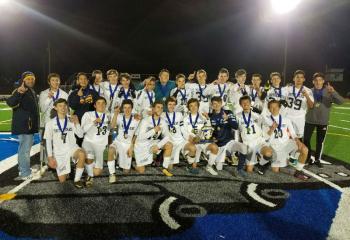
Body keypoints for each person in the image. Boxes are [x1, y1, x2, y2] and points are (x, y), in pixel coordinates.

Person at [303, 72, 345, 168]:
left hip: (323, 121)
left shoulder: (329, 91)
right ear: (313, 81)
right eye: (316, 80)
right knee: (306, 139)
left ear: (323, 81)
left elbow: (341, 102)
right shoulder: (309, 91)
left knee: (320, 141)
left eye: (320, 80)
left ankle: (317, 159)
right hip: (310, 120)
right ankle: (308, 157)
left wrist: (333, 92)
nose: (318, 82)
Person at [44, 98, 86, 188]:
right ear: (55, 107)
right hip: (59, 152)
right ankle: (68, 169)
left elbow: (81, 135)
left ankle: (77, 180)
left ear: (67, 107)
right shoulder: (50, 123)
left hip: (72, 148)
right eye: (60, 106)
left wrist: (77, 123)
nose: (63, 108)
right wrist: (50, 158)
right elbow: (48, 141)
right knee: (62, 180)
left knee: (82, 154)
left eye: (64, 106)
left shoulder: (71, 120)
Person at [263, 100, 309, 180]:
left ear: (279, 108)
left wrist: (298, 142)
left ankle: (298, 171)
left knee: (304, 149)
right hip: (275, 146)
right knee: (275, 171)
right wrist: (272, 129)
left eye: (276, 107)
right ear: (269, 109)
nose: (274, 109)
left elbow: (293, 133)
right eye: (271, 107)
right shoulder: (266, 120)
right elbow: (265, 137)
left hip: (287, 143)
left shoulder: (286, 120)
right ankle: (276, 159)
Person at [6, 71, 40, 180]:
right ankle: (25, 173)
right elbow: (10, 103)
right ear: (23, 80)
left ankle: (23, 169)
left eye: (32, 79)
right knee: (25, 150)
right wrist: (19, 93)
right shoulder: (20, 90)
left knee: (23, 149)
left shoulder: (31, 90)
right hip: (24, 125)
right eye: (28, 79)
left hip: (28, 125)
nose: (30, 81)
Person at [209, 96, 248, 177]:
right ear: (211, 105)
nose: (216, 106)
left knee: (243, 148)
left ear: (221, 103)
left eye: (218, 104)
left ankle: (239, 169)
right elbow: (210, 132)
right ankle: (225, 157)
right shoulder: (210, 116)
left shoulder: (228, 112)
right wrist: (212, 138)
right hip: (219, 145)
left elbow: (236, 126)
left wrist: (228, 119)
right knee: (219, 168)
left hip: (229, 142)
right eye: (214, 104)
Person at [134, 101, 173, 174]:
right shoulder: (145, 120)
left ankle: (164, 168)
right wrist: (153, 130)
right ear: (153, 109)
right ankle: (135, 164)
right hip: (142, 145)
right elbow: (140, 138)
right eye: (158, 107)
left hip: (153, 143)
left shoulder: (163, 121)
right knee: (141, 170)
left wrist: (158, 146)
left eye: (161, 108)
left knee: (169, 145)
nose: (160, 109)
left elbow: (167, 136)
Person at [237, 96, 273, 174]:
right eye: (243, 103)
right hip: (248, 143)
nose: (245, 104)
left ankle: (263, 163)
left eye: (247, 102)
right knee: (249, 170)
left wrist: (262, 116)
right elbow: (237, 132)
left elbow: (269, 123)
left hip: (259, 141)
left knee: (268, 153)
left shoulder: (257, 115)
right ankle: (255, 161)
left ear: (250, 104)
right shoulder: (237, 116)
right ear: (240, 105)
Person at [183, 98, 219, 175]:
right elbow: (184, 132)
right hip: (192, 141)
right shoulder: (185, 118)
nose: (193, 108)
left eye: (195, 105)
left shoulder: (203, 117)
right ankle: (190, 165)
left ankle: (209, 166)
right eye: (191, 106)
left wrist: (208, 119)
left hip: (202, 140)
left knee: (215, 147)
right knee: (195, 153)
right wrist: (190, 138)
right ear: (188, 108)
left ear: (198, 106)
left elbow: (208, 128)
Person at [162, 97, 197, 175]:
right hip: (170, 142)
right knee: (170, 168)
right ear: (166, 105)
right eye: (170, 104)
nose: (172, 106)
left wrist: (188, 137)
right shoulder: (162, 115)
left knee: (193, 148)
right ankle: (164, 161)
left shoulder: (179, 114)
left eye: (174, 104)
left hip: (180, 140)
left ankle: (189, 164)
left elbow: (182, 128)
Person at [81, 97, 111, 187]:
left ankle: (84, 164)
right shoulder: (88, 114)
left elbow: (109, 130)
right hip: (89, 142)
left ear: (106, 105)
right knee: (89, 157)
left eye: (103, 103)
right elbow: (82, 130)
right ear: (94, 105)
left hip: (100, 145)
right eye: (98, 103)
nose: (101, 105)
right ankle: (89, 176)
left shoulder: (108, 116)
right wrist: (93, 122)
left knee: (97, 172)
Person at [108, 99, 140, 183]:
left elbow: (136, 135)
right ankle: (112, 174)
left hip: (128, 144)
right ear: (122, 108)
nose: (127, 110)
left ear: (132, 108)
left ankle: (119, 160)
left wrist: (131, 148)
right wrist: (115, 113)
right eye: (125, 108)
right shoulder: (119, 116)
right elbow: (111, 127)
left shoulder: (137, 119)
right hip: (118, 141)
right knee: (111, 150)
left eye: (129, 108)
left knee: (126, 171)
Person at [284, 70, 314, 139]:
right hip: (288, 117)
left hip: (300, 118)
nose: (299, 79)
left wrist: (306, 96)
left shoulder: (308, 91)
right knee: (287, 138)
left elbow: (311, 106)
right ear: (293, 79)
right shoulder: (288, 89)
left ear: (304, 79)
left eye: (301, 77)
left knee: (298, 139)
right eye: (297, 77)